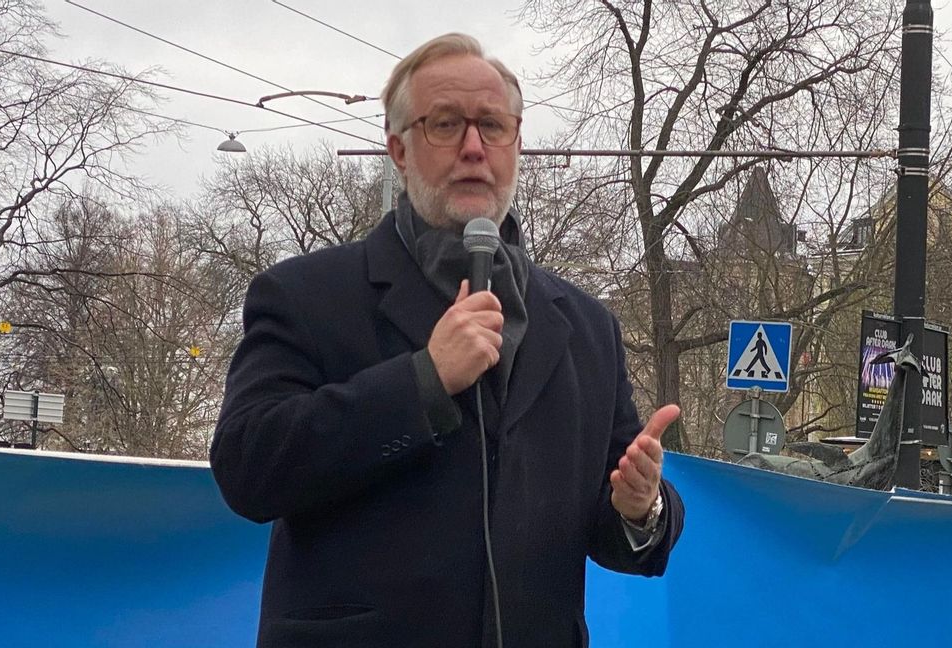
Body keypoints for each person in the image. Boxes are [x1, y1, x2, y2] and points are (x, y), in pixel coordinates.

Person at [210, 33, 684, 648]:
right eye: (445, 124)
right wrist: (424, 381)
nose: (472, 147)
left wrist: (640, 507)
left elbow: (615, 529)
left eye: (492, 125)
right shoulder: (305, 295)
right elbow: (248, 468)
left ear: (516, 143)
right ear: (398, 150)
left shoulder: (587, 328)